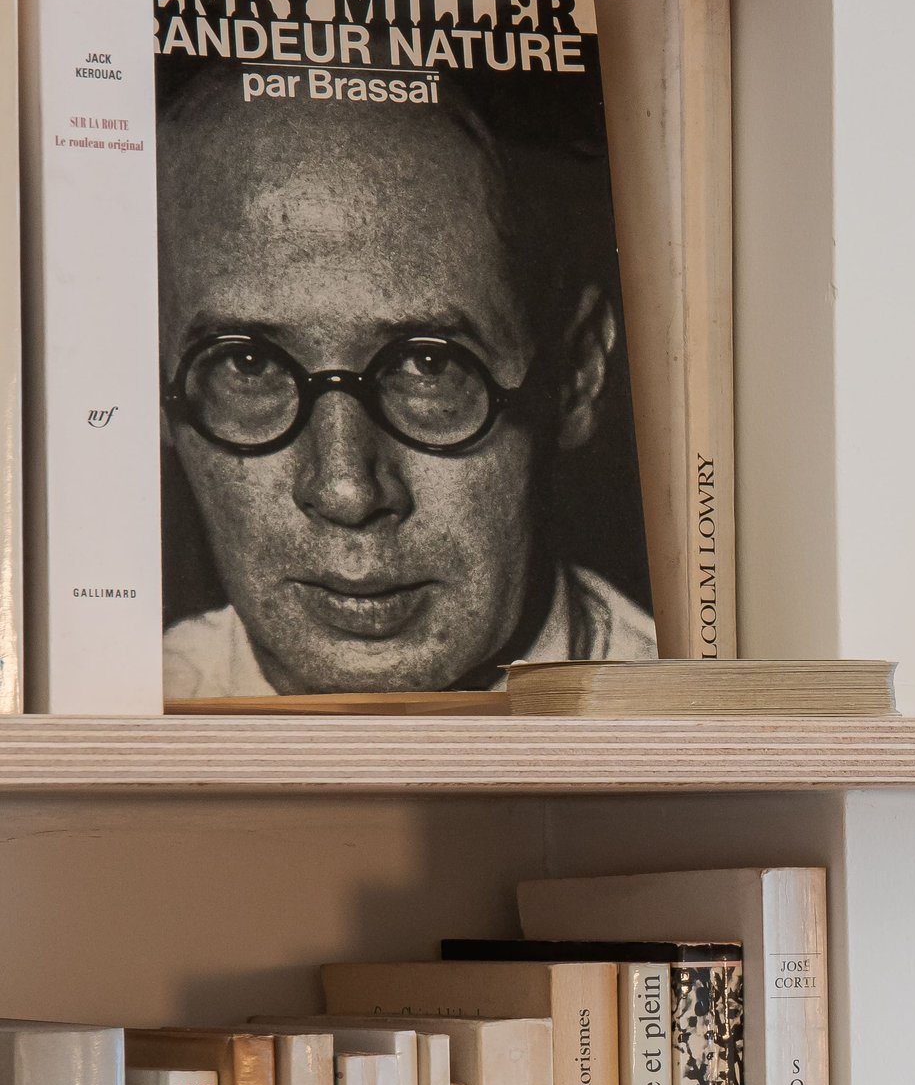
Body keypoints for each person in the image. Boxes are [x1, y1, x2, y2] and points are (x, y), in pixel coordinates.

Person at [157, 75, 656, 695]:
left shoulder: (695, 730)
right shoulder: (106, 710)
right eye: (250, 366)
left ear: (579, 373)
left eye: (429, 365)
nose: (346, 491)